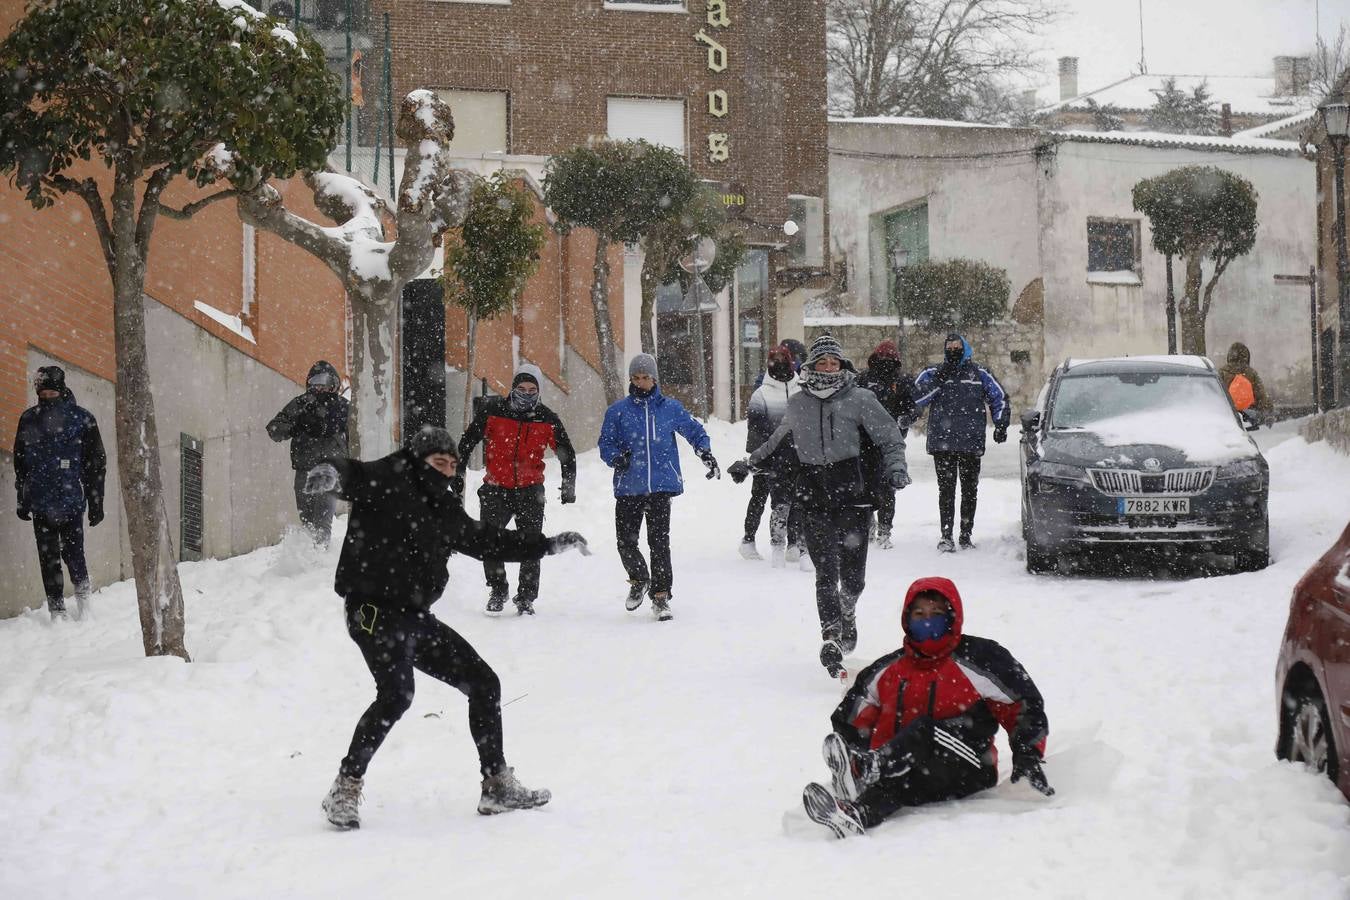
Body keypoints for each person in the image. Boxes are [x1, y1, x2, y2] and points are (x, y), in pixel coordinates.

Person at [304, 426, 590, 830]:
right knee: (397, 694)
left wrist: (545, 545)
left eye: (454, 466)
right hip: (371, 611)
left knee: (484, 683)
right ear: (419, 460)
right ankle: (345, 787)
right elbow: (350, 472)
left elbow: (487, 541)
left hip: (414, 617)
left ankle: (496, 785)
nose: (447, 472)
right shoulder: (386, 478)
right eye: (440, 463)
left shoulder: (444, 508)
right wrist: (330, 472)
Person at [801, 576, 1052, 838]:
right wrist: (852, 750)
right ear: (907, 620)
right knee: (895, 784)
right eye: (919, 614)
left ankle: (870, 766)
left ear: (952, 616)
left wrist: (1028, 759)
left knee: (924, 731)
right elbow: (851, 718)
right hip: (916, 771)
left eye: (936, 613)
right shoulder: (888, 670)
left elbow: (1022, 704)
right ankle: (854, 815)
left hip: (970, 767)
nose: (927, 620)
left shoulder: (979, 659)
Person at [729, 334, 908, 678]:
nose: (828, 368)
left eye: (834, 362)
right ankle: (831, 636)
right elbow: (777, 440)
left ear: (842, 366)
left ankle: (848, 610)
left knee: (853, 580)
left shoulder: (861, 399)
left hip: (854, 497)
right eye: (822, 362)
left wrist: (896, 468)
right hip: (814, 497)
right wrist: (749, 463)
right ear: (810, 367)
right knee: (826, 574)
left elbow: (889, 436)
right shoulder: (798, 403)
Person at [598, 353, 719, 622]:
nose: (641, 382)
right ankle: (639, 579)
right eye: (636, 377)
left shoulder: (670, 408)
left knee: (659, 544)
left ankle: (661, 596)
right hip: (629, 487)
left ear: (655, 379)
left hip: (661, 486)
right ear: (630, 379)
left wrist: (705, 452)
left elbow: (694, 431)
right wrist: (616, 458)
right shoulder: (617, 411)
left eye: (646, 377)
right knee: (625, 542)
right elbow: (605, 444)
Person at [457, 364, 577, 616]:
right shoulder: (493, 411)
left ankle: (526, 597)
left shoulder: (547, 418)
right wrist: (457, 472)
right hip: (495, 489)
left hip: (530, 490)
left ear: (539, 391)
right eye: (521, 388)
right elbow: (466, 443)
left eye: (532, 389)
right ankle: (498, 590)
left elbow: (567, 453)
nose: (526, 393)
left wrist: (568, 486)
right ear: (512, 388)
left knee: (530, 545)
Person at [13, 366, 106, 620]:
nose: (48, 396)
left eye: (53, 391)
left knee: (74, 554)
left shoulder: (81, 419)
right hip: (40, 503)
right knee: (48, 559)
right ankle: (57, 611)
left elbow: (95, 464)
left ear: (62, 389)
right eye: (43, 392)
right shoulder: (29, 418)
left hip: (70, 502)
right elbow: (20, 463)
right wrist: (22, 497)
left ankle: (84, 603)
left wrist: (96, 501)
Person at [912, 333, 1009, 553]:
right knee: (946, 490)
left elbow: (999, 398)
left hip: (970, 442)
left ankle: (966, 534)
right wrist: (939, 379)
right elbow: (916, 398)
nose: (953, 350)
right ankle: (946, 536)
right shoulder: (931, 372)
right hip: (942, 443)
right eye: (949, 347)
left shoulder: (979, 373)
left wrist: (1001, 423)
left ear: (965, 348)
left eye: (957, 347)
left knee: (969, 490)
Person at [266, 360, 349, 547]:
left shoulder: (343, 407)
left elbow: (357, 437)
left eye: (324, 381)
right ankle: (309, 558)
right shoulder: (301, 404)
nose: (319, 387)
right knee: (308, 520)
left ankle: (319, 555)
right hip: (304, 469)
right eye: (315, 382)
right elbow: (274, 428)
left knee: (322, 520)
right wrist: (296, 426)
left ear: (333, 384)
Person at [739, 346, 802, 567]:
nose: (779, 363)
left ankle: (793, 542)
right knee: (760, 497)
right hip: (769, 455)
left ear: (791, 361)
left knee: (794, 500)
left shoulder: (802, 389)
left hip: (797, 456)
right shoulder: (761, 394)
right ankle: (748, 539)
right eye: (773, 360)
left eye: (782, 359)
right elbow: (756, 429)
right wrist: (762, 456)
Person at [857, 340, 917, 550]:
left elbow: (913, 406)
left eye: (889, 360)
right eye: (882, 359)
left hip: (890, 442)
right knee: (864, 486)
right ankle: (868, 524)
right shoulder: (863, 379)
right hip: (864, 442)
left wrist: (907, 418)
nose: (885, 363)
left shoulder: (902, 381)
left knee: (887, 487)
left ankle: (885, 530)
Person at [1217, 341, 1273, 425]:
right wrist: (1267, 411)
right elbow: (1261, 395)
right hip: (1247, 415)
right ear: (1247, 357)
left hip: (1227, 414)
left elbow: (1216, 393)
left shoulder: (1222, 372)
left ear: (1229, 356)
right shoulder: (1251, 373)